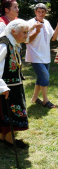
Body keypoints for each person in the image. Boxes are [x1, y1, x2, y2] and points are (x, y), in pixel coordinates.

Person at [26, 3, 58, 109]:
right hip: (35, 55)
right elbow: (27, 41)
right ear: (35, 12)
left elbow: (54, 37)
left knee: (40, 77)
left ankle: (34, 98)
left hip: (45, 56)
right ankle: (45, 101)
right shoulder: (30, 23)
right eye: (39, 11)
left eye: (43, 12)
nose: (41, 14)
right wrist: (36, 31)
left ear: (46, 13)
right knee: (45, 76)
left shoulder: (46, 22)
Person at [0, 19, 30, 148]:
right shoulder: (4, 44)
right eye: (24, 32)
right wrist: (2, 86)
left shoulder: (14, 43)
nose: (26, 35)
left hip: (15, 85)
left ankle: (3, 137)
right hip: (7, 87)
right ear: (13, 31)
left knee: (11, 111)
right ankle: (8, 139)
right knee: (8, 112)